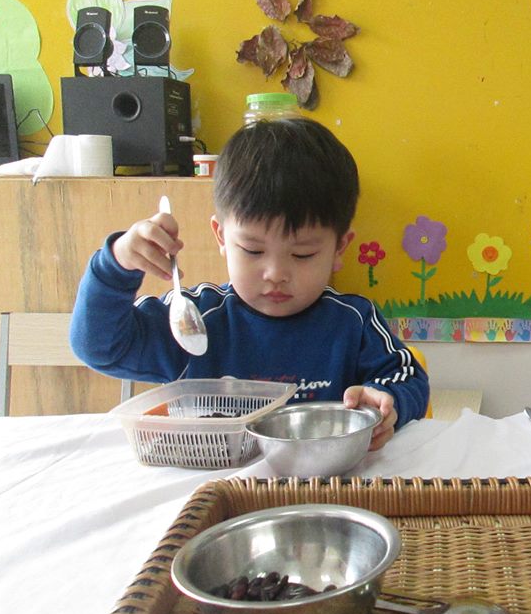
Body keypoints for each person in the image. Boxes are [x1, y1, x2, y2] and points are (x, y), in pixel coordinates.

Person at [70, 117, 429, 450]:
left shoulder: (353, 322)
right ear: (221, 237)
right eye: (253, 250)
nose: (275, 273)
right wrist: (116, 265)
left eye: (302, 254)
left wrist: (387, 402)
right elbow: (101, 347)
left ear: (339, 249)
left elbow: (407, 377)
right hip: (212, 481)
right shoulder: (195, 319)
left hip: (322, 482)